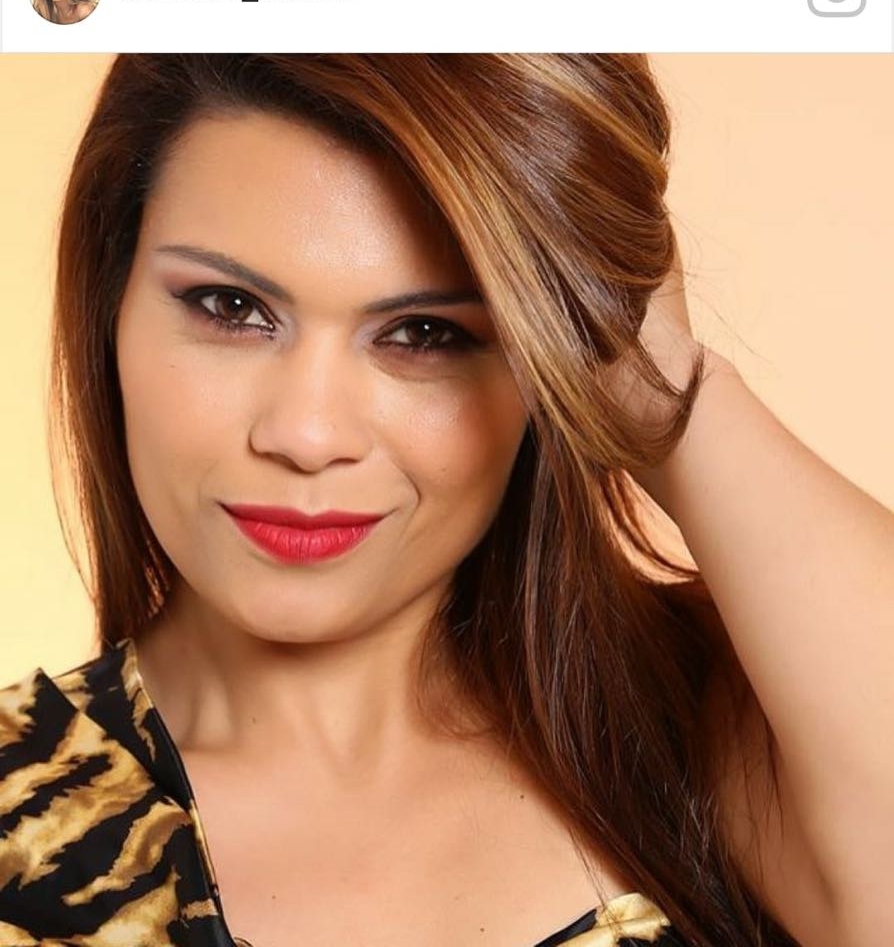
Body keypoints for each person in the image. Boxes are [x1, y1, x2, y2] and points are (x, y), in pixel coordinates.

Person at [0, 54, 890, 946]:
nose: (307, 434)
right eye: (229, 307)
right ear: (111, 306)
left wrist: (668, 395)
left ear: (545, 356)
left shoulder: (715, 731)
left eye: (425, 333)